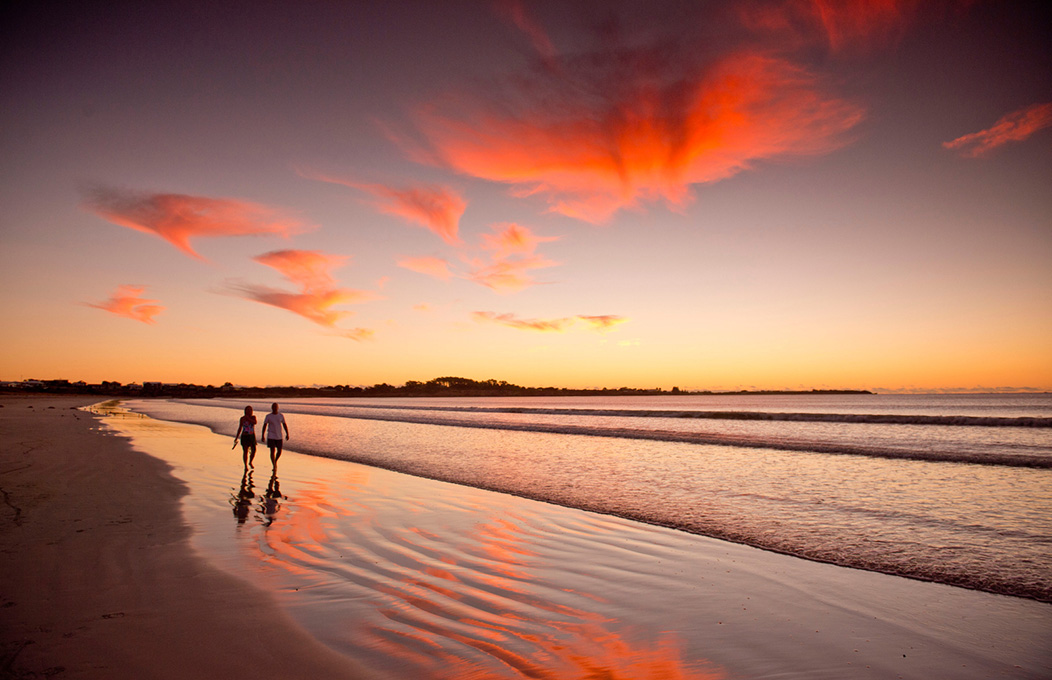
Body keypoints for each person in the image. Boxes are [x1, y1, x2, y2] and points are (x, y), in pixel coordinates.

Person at [260, 402, 289, 466]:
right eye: (273, 406)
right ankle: (274, 464)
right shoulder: (268, 416)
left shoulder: (281, 416)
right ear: (271, 408)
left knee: (279, 451)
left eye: (276, 406)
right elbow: (264, 426)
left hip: (279, 436)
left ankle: (275, 461)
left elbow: (284, 424)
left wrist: (287, 433)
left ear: (278, 408)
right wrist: (263, 435)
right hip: (271, 435)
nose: (275, 408)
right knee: (272, 451)